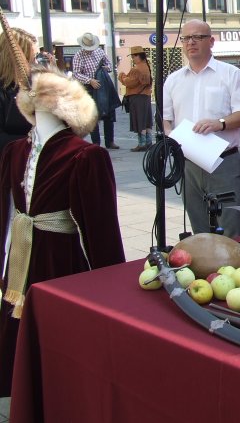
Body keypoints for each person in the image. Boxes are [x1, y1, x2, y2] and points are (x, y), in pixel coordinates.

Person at [0, 62, 125, 396]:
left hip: (56, 257)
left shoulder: (84, 157)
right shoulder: (16, 151)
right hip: (26, 256)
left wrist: (110, 283)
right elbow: (103, 234)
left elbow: (101, 231)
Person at [163, 19, 240, 238]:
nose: (190, 42)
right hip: (189, 161)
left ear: (211, 41)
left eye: (198, 37)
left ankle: (237, 267)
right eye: (186, 38)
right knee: (200, 227)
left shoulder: (230, 74)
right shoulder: (173, 80)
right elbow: (166, 119)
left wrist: (220, 123)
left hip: (223, 160)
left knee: (232, 224)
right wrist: (170, 135)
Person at [72, 32, 120, 149]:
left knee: (108, 114)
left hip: (103, 85)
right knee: (93, 116)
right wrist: (90, 80)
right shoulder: (79, 55)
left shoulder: (99, 51)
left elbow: (109, 64)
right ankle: (96, 143)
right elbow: (76, 74)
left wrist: (104, 69)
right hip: (89, 87)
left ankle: (110, 141)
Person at [0, 28, 35, 153]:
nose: (34, 63)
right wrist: (31, 141)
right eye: (30, 58)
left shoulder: (28, 85)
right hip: (8, 165)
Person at [118, 45, 153, 152]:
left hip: (137, 97)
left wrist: (122, 76)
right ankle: (148, 142)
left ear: (139, 56)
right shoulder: (146, 66)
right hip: (145, 96)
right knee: (146, 120)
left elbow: (130, 82)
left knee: (140, 120)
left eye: (133, 56)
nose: (133, 59)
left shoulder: (137, 69)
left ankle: (142, 144)